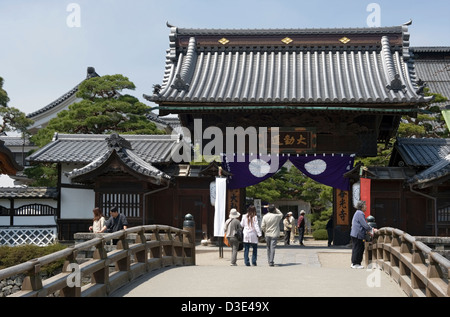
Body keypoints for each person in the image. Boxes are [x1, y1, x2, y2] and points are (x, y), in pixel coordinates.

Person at [350, 201, 378, 269]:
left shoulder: (358, 213)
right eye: (365, 205)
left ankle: (355, 263)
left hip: (356, 233)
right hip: (357, 234)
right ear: (362, 207)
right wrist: (372, 230)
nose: (366, 207)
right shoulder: (360, 213)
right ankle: (355, 263)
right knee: (358, 248)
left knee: (357, 248)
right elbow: (364, 224)